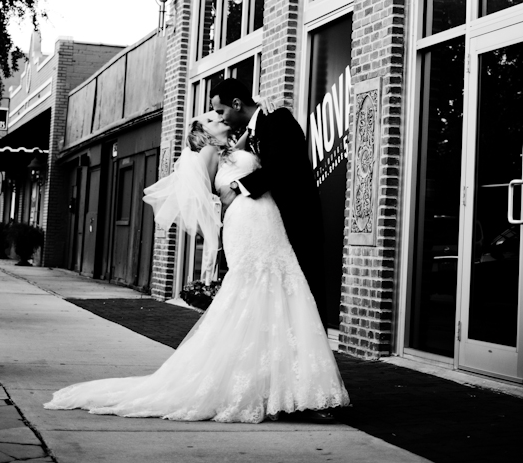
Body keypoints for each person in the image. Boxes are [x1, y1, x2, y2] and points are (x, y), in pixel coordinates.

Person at [44, 112, 349, 423]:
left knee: (283, 293)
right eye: (214, 120)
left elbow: (246, 155)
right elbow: (208, 193)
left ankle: (290, 388)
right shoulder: (206, 152)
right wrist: (229, 191)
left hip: (269, 221)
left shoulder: (229, 148)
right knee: (252, 295)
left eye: (219, 114)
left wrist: (253, 125)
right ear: (206, 134)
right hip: (247, 223)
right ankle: (255, 386)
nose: (220, 120)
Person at [210, 78, 328, 327]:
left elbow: (278, 169)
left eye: (221, 112)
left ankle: (309, 357)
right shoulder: (254, 130)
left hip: (298, 222)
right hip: (273, 227)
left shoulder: (277, 120)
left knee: (306, 296)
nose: (220, 118)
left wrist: (236, 187)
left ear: (236, 103)